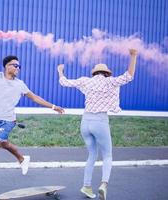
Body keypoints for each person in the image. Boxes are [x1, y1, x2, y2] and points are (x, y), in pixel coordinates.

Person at [0, 34, 65, 188]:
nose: (18, 68)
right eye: (15, 65)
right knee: (4, 143)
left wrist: (53, 107)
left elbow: (35, 98)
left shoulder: (20, 84)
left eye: (19, 66)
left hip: (8, 121)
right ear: (7, 66)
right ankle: (22, 158)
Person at [57, 49, 138, 200]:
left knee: (92, 155)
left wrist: (60, 71)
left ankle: (86, 186)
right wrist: (133, 56)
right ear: (107, 73)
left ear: (94, 73)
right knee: (107, 155)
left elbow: (64, 82)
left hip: (85, 121)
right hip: (100, 121)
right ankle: (104, 184)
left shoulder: (86, 81)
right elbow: (129, 76)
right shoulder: (111, 82)